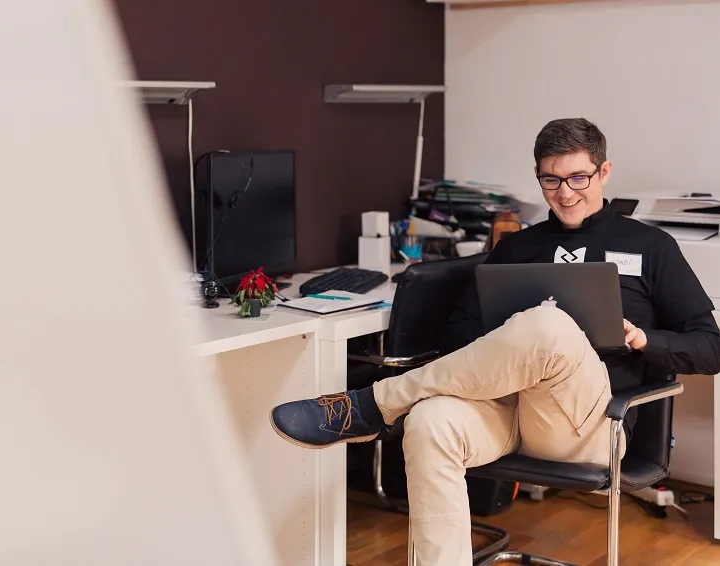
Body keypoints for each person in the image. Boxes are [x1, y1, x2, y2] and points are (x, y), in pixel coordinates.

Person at [269, 118, 720, 566]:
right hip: (503, 409)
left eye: (578, 177)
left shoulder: (651, 246)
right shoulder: (517, 247)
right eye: (551, 179)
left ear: (603, 172)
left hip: (590, 424)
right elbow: (457, 336)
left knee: (550, 325)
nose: (565, 192)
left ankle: (371, 405)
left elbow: (710, 347)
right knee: (430, 420)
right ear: (539, 177)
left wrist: (644, 340)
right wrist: (508, 337)